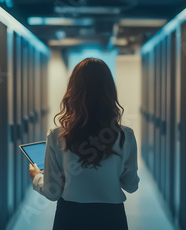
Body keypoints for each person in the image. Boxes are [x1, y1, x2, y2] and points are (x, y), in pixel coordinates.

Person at [28, 58, 140, 230]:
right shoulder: (125, 135)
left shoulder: (57, 135)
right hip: (112, 218)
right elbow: (131, 185)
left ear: (73, 91)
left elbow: (53, 192)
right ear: (110, 91)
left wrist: (37, 176)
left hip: (70, 217)